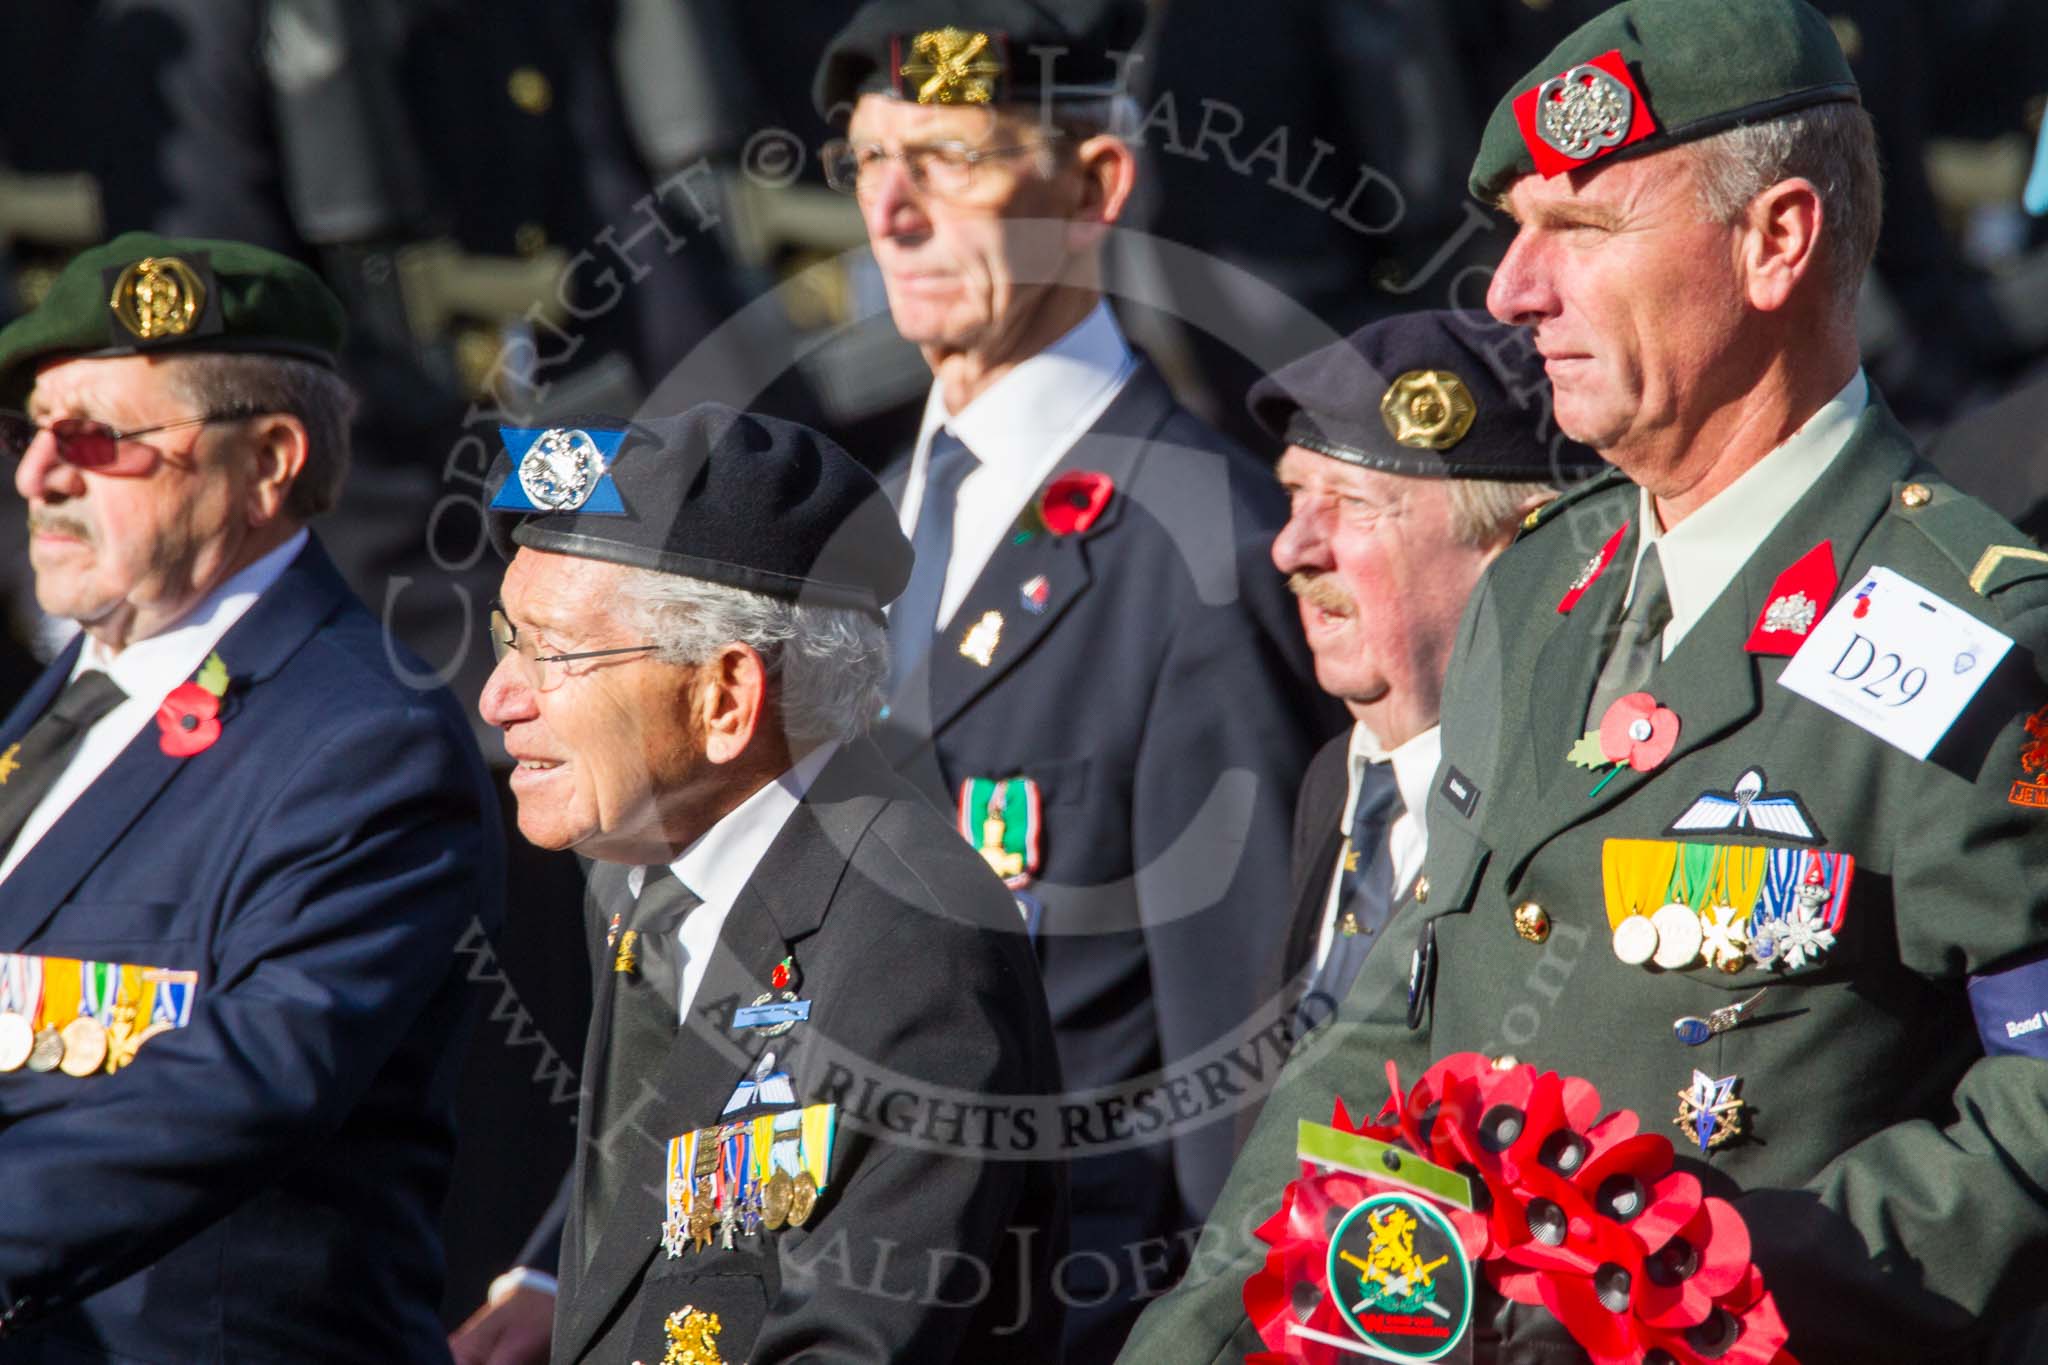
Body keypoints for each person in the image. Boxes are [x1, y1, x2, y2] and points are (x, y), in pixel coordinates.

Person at [1120, 0, 2048, 1359]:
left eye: (1583, 229)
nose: (1508, 290)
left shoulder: (1961, 636)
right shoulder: (1539, 591)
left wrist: (1706, 1286)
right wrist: (1198, 1333)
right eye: (1512, 231)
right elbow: (1400, 1011)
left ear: (1775, 240)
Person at [812, 4, 1344, 1355]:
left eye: (952, 158)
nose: (896, 211)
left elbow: (1237, 1077)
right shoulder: (857, 536)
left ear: (1097, 185)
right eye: (870, 162)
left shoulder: (1205, 550)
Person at [476, 405, 1066, 1364]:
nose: (498, 696)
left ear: (727, 698)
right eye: (510, 637)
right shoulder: (641, 879)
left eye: (555, 651)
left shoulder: (913, 948)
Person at [0, 232, 501, 1360]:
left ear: (269, 460)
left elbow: (252, 1077)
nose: (39, 475)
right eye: (28, 434)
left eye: (94, 437)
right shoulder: (62, 707)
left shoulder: (364, 740)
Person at [1250, 310, 1602, 1039]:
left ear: (1516, 549)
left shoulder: (1577, 814)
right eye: (1294, 496)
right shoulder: (1337, 785)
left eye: (1351, 504)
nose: (1291, 548)